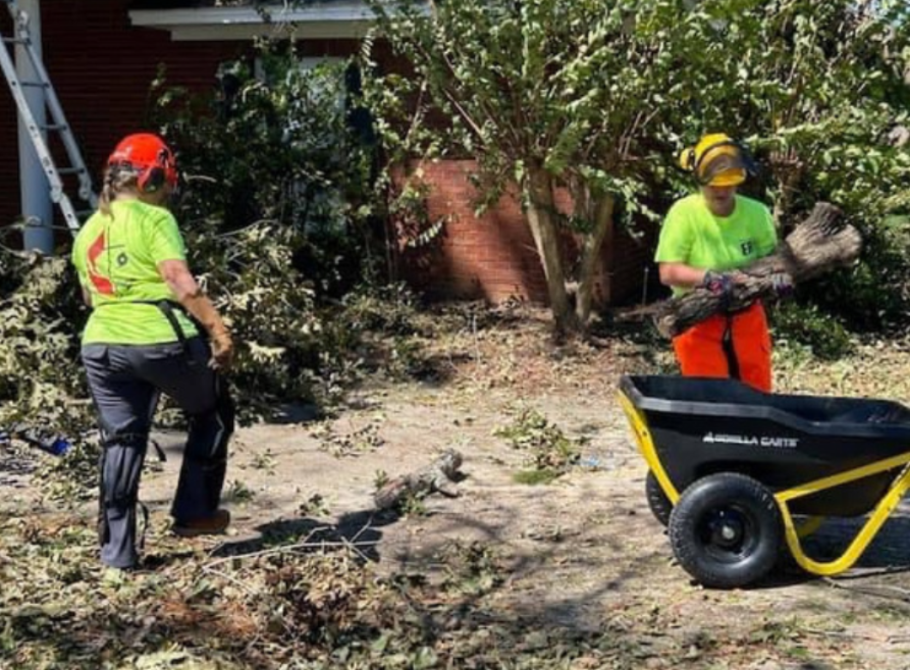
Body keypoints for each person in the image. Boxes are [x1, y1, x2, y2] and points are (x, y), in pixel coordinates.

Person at [72, 132, 235, 570]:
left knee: (122, 439)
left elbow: (89, 297)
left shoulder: (88, 228)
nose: (167, 194)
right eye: (165, 184)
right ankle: (194, 514)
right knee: (213, 411)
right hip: (161, 340)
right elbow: (179, 280)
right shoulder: (154, 220)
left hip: (101, 345)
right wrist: (219, 331)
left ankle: (117, 556)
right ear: (151, 179)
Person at [654, 132, 787, 393]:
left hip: (747, 317)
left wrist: (782, 283)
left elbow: (775, 264)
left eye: (728, 183)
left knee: (756, 395)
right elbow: (668, 272)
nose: (721, 189)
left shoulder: (756, 213)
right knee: (711, 399)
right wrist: (708, 279)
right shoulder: (684, 214)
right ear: (700, 179)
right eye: (715, 183)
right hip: (699, 317)